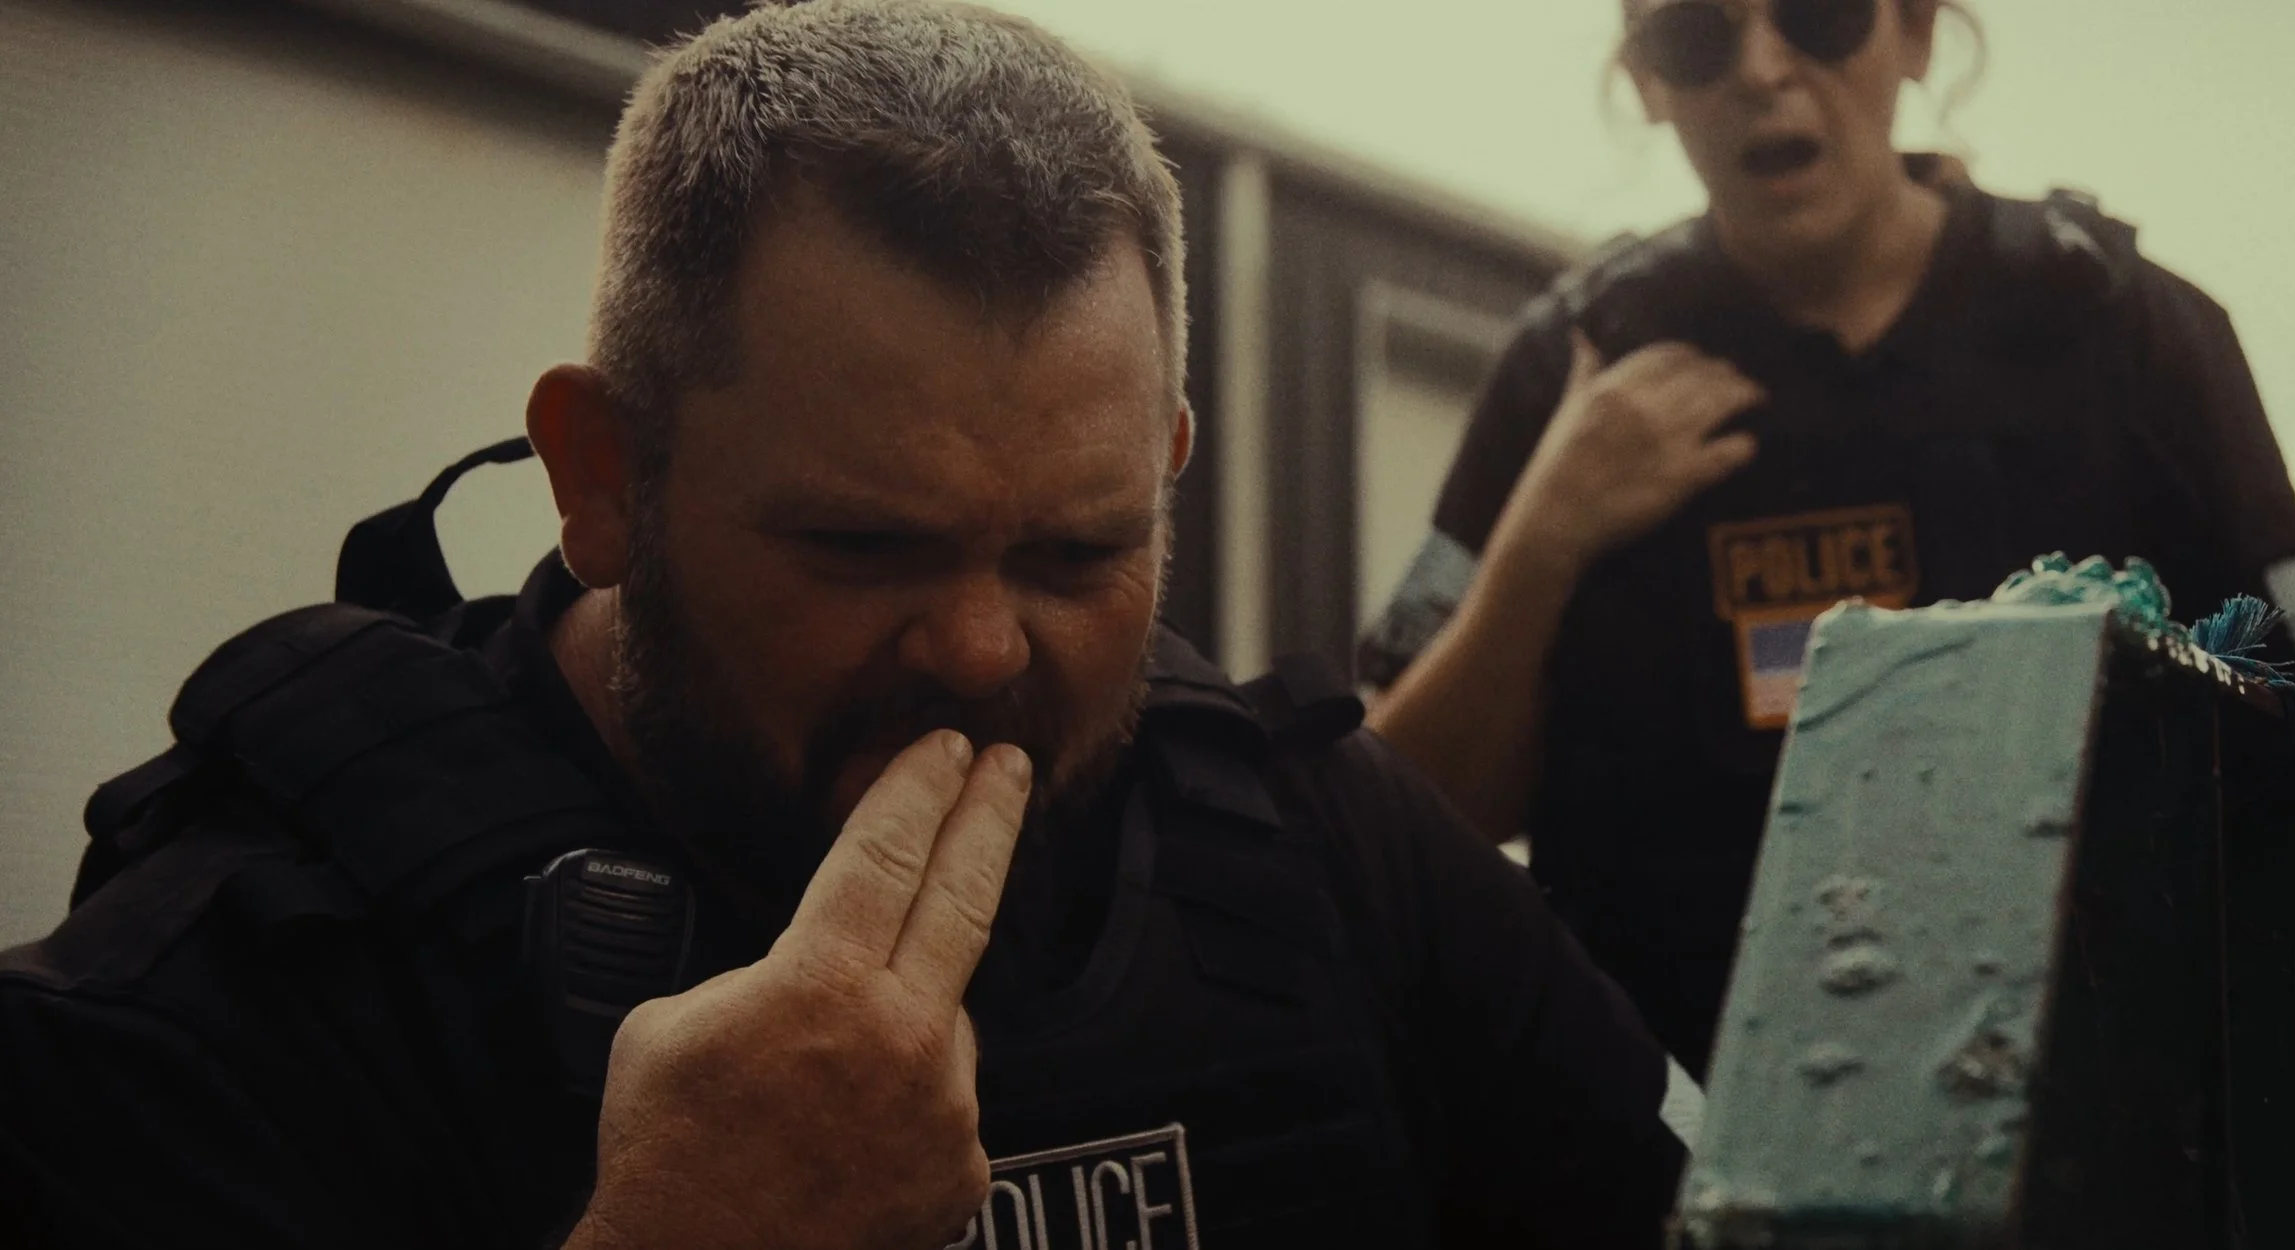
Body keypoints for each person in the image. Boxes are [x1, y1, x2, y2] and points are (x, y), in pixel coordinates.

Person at [0, 3, 1676, 1247]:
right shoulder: (236, 1004)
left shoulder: (1317, 847)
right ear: (602, 476)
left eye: (1078, 550)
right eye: (866, 547)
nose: (983, 649)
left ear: (1164, 474)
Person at [1357, 0, 2295, 1073]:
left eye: (1817, 15)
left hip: (2085, 1127)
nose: (1760, 70)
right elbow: (1386, 825)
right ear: (1644, 80)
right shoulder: (1578, 365)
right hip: (1679, 1153)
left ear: (1913, 33)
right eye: (1695, 37)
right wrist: (1546, 535)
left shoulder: (2124, 333)